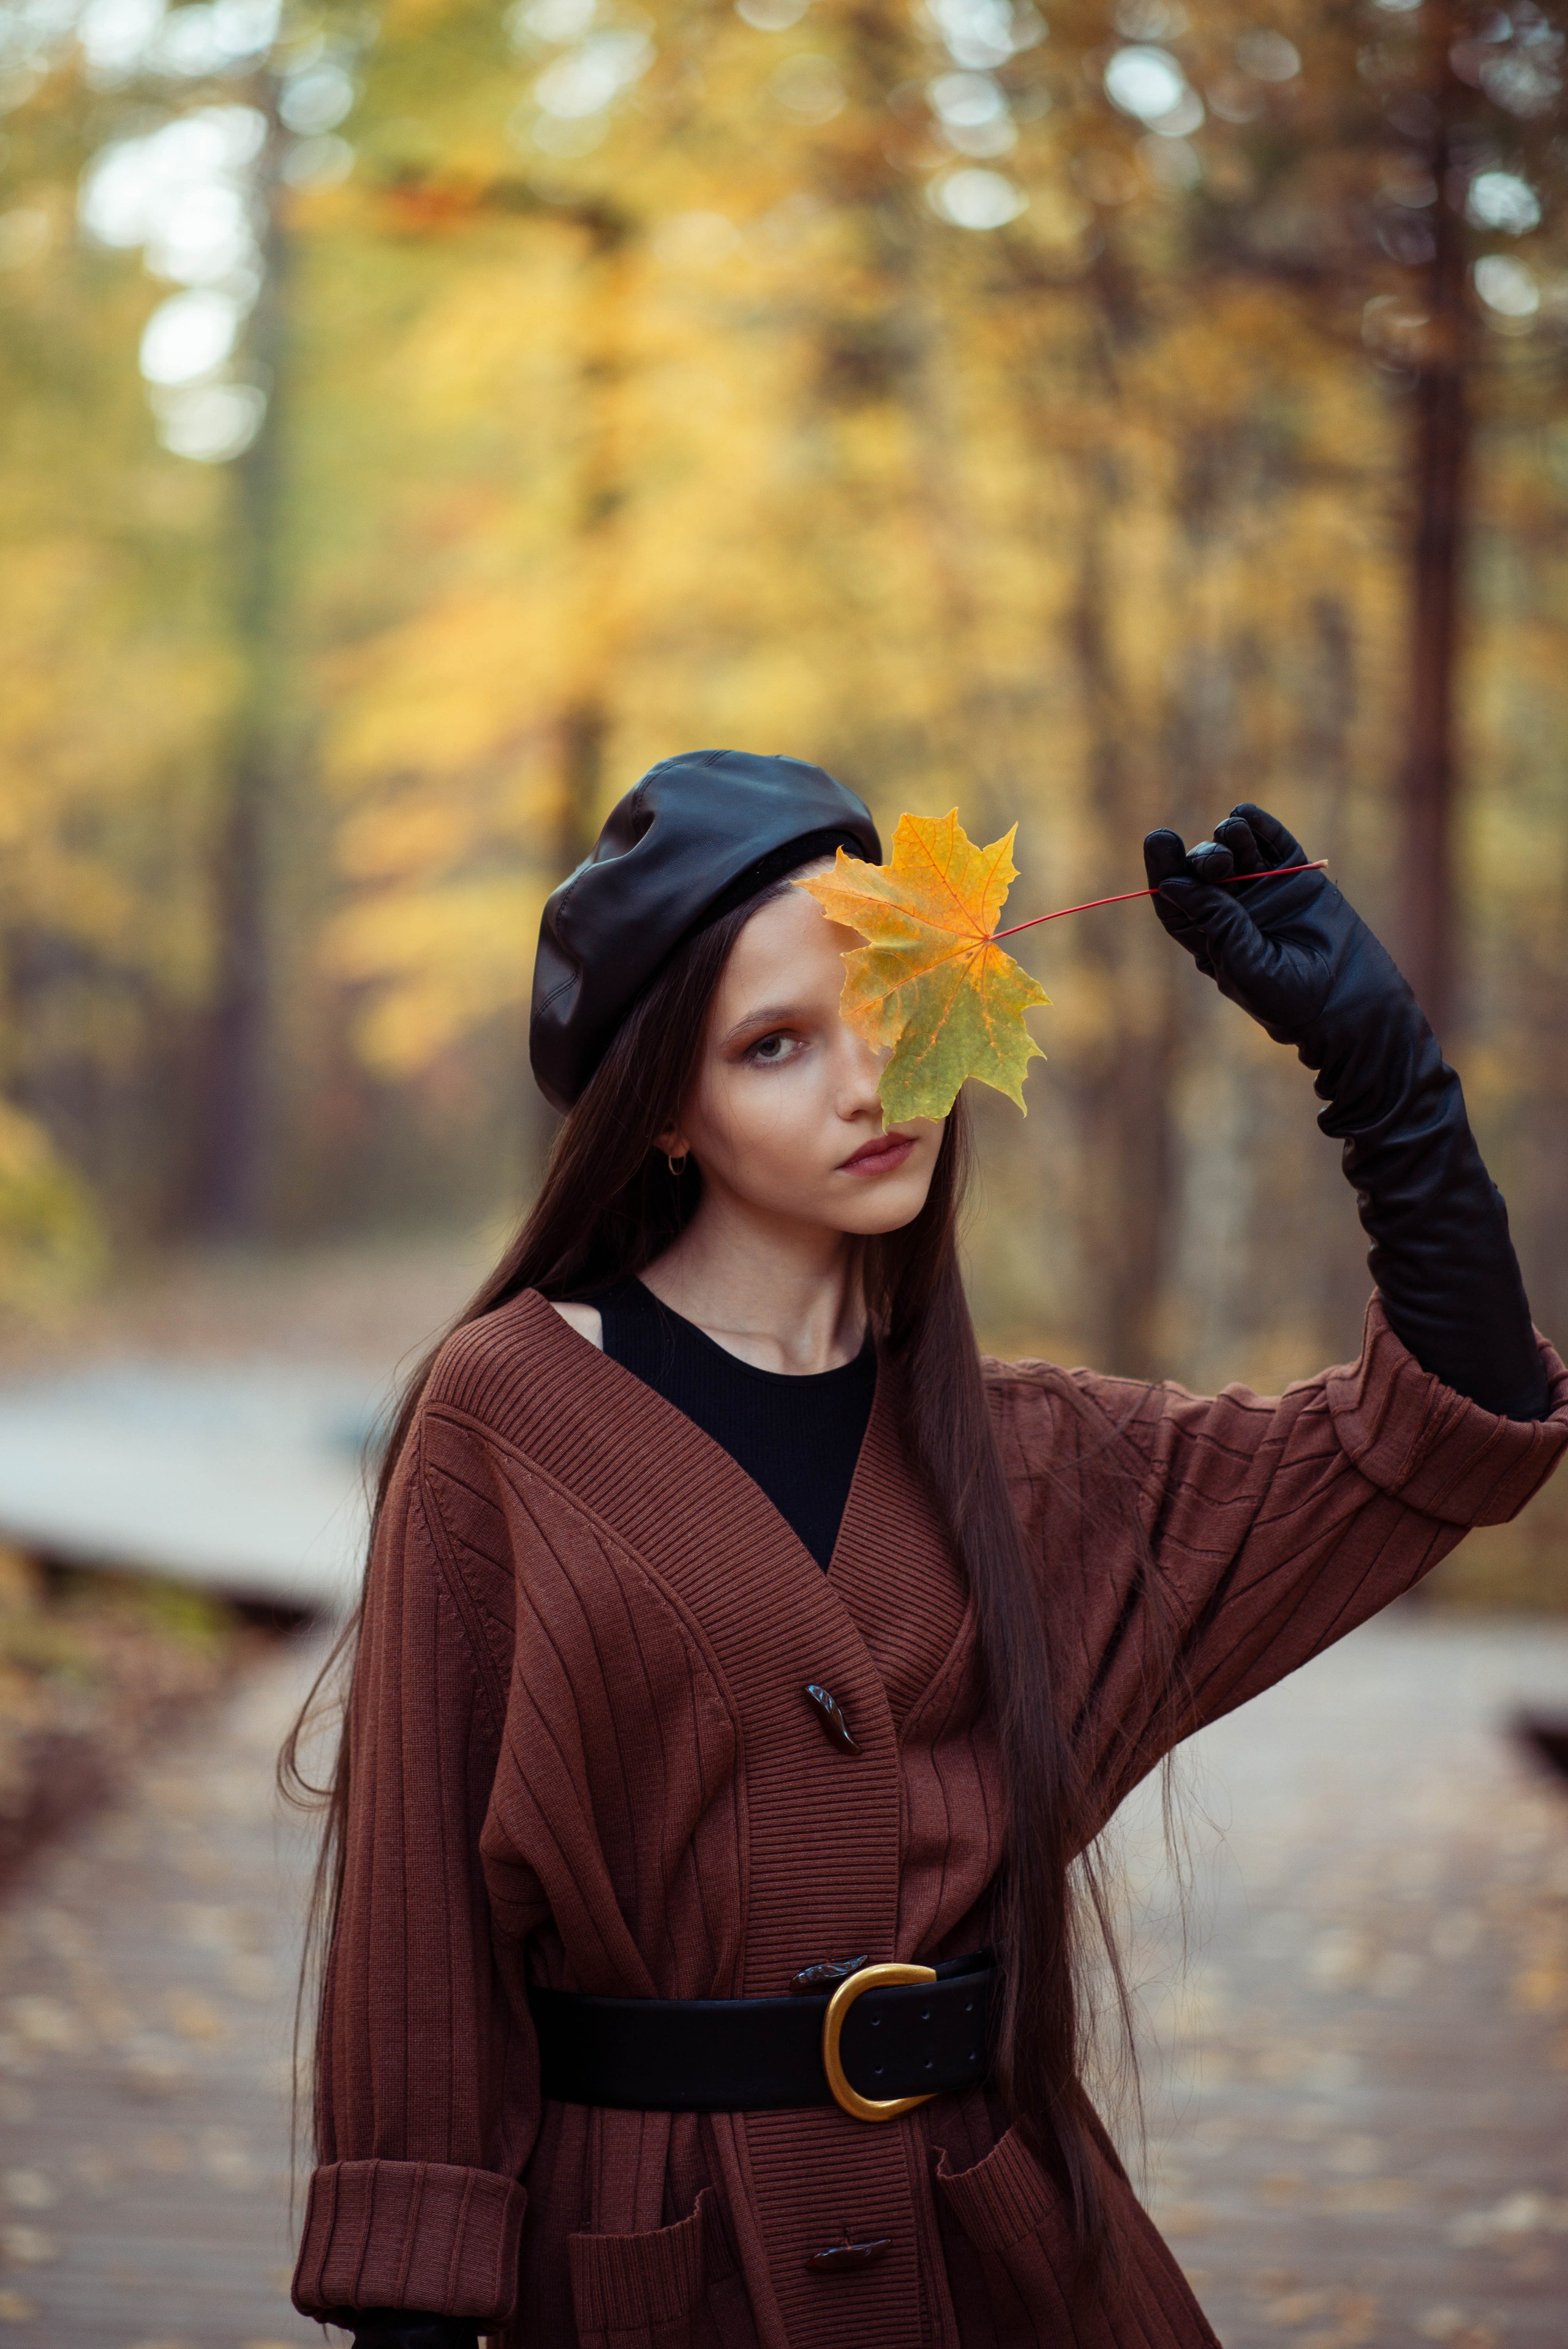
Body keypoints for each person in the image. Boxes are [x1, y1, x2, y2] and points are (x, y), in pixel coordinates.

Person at [290, 748, 1567, 2349]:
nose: (866, 1078)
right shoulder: (506, 1418)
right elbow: (423, 1933)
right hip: (645, 2275)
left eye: (889, 1002)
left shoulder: (1043, 1461)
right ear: (667, 1107)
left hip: (1002, 2261)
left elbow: (1447, 1427)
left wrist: (1379, 1072)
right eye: (775, 1044)